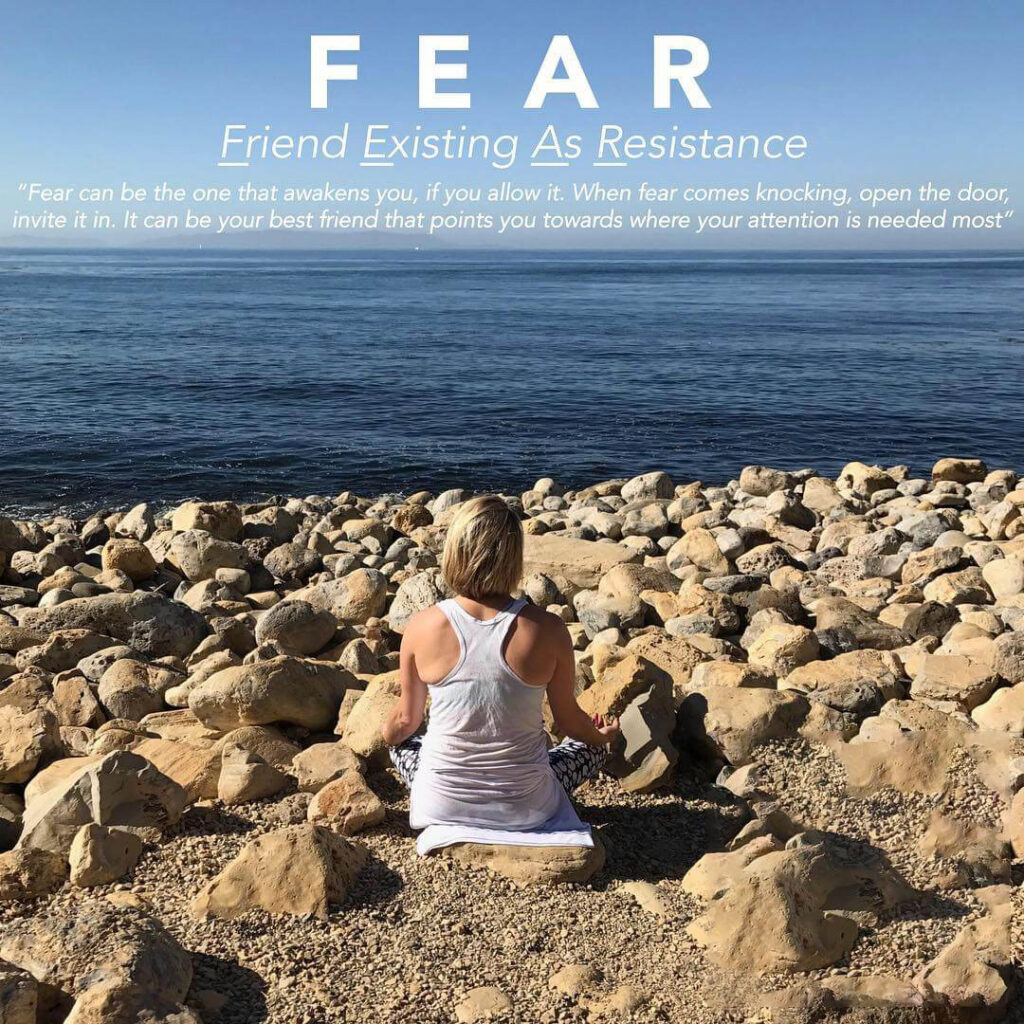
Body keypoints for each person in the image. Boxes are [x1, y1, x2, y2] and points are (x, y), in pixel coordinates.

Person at [381, 495, 619, 837]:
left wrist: (387, 735)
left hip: (442, 805)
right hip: (527, 809)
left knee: (404, 744)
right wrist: (600, 736)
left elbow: (405, 722)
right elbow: (569, 722)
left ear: (455, 553)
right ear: (513, 559)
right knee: (589, 748)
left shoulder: (422, 626)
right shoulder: (548, 629)